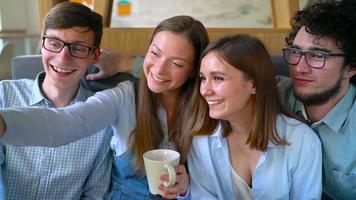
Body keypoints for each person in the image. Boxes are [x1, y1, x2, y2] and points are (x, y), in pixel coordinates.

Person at [0, 15, 209, 199]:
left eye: (177, 64)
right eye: (154, 53)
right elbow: (69, 122)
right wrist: (4, 123)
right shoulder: (124, 96)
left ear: (193, 70)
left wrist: (185, 188)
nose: (159, 69)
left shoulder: (206, 109)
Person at [187, 34, 322, 199]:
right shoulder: (201, 139)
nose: (205, 90)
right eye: (203, 78)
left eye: (217, 78)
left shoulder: (303, 142)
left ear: (254, 84)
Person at [0, 2, 112, 199]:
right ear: (42, 44)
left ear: (94, 55)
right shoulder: (4, 96)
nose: (63, 58)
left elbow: (95, 193)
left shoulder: (102, 117)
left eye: (77, 48)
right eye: (53, 42)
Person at [278, 1, 356, 199]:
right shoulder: (272, 97)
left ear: (351, 67)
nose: (299, 67)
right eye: (296, 52)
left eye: (317, 55)